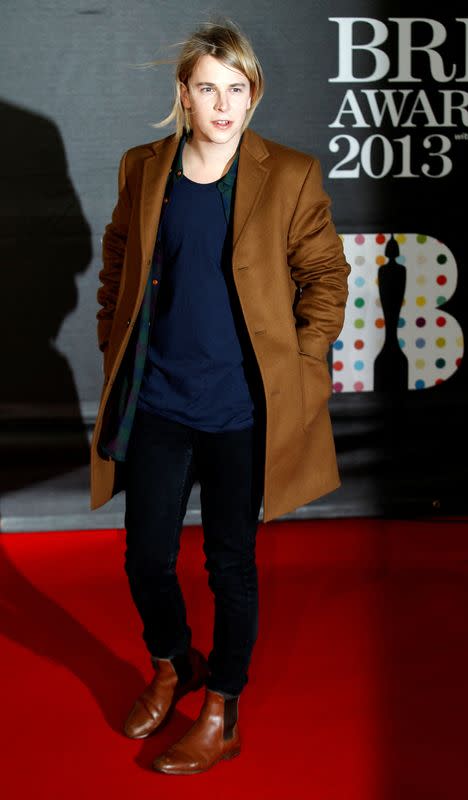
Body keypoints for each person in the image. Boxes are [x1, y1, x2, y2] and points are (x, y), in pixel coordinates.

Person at [90, 19, 350, 775]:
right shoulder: (144, 168)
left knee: (231, 566)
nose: (224, 104)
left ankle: (222, 706)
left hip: (242, 411)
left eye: (237, 89)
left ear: (254, 94)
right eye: (209, 88)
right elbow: (119, 263)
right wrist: (115, 339)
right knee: (146, 559)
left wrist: (302, 366)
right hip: (162, 400)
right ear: (185, 95)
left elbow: (326, 280)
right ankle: (173, 664)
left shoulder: (290, 174)